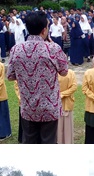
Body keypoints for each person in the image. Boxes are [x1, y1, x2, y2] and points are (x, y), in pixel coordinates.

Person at [7, 11, 68, 144]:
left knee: (29, 143)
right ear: (44, 30)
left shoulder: (16, 50)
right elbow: (64, 71)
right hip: (49, 108)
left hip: (28, 106)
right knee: (48, 143)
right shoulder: (53, 49)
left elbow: (10, 76)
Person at [58, 69, 77, 144]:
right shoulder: (71, 72)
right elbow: (74, 87)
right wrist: (63, 94)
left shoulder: (70, 73)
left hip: (63, 103)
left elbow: (74, 87)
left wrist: (61, 94)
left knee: (62, 126)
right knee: (64, 127)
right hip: (62, 103)